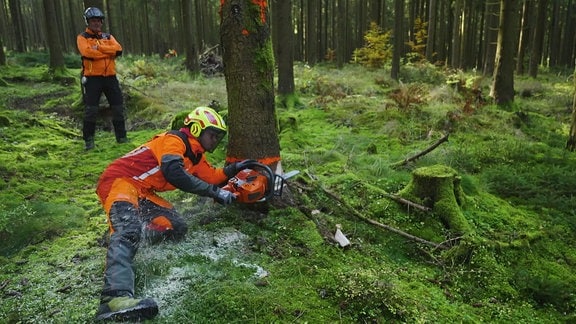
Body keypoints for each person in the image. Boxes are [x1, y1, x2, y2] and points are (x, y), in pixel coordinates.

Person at [94, 106, 253, 321]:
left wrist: (235, 169)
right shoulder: (174, 141)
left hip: (143, 192)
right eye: (212, 135)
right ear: (196, 129)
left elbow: (213, 177)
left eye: (218, 137)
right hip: (120, 182)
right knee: (128, 229)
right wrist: (214, 193)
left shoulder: (196, 157)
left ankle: (129, 237)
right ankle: (114, 298)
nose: (215, 140)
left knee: (176, 226)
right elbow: (174, 172)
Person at [77, 7, 127, 150]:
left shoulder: (108, 37)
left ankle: (121, 137)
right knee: (91, 110)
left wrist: (99, 49)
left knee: (117, 107)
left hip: (110, 77)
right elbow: (87, 53)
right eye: (93, 21)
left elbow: (118, 50)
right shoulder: (82, 37)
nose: (96, 23)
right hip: (93, 79)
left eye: (99, 21)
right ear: (88, 22)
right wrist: (108, 52)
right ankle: (89, 141)